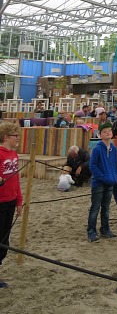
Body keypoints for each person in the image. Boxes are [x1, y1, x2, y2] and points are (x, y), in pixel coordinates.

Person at [87, 121, 117, 242]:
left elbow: (116, 164)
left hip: (110, 182)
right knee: (95, 207)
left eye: (109, 131)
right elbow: (93, 166)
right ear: (100, 134)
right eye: (105, 132)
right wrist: (102, 177)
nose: (108, 133)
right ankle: (91, 231)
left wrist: (114, 177)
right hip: (98, 183)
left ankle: (105, 229)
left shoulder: (114, 149)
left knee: (106, 208)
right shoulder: (97, 149)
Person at [0, 123, 22, 288]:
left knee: (5, 241)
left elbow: (16, 180)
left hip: (11, 201)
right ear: (6, 137)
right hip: (0, 202)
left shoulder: (14, 154)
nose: (18, 139)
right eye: (15, 135)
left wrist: (19, 201)